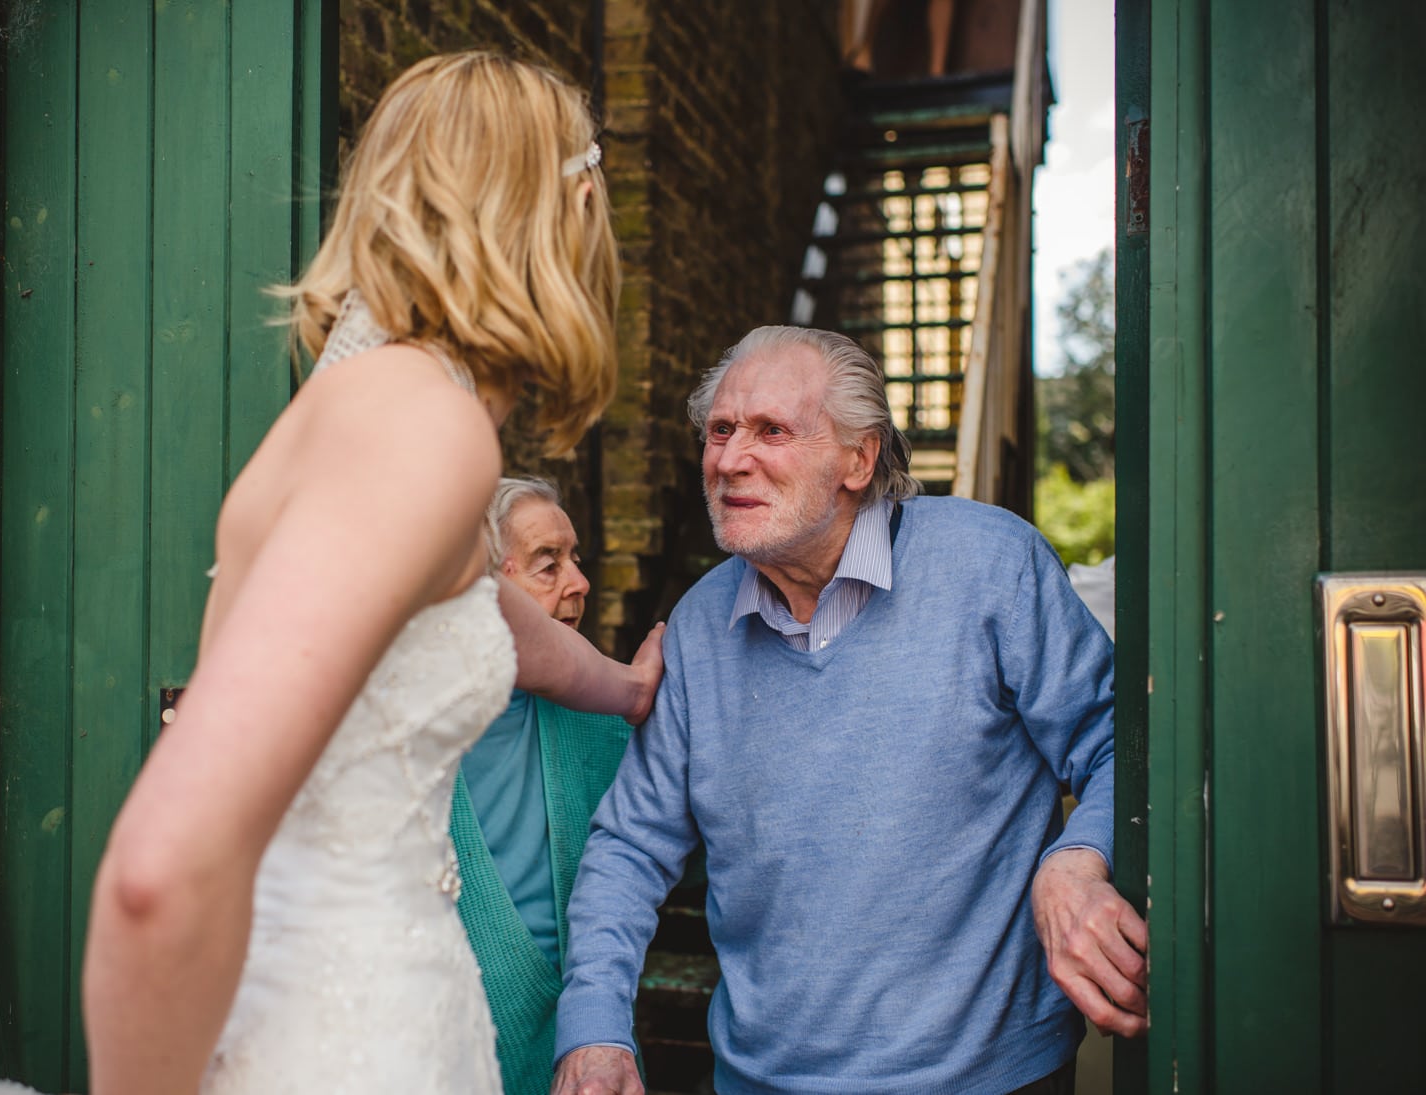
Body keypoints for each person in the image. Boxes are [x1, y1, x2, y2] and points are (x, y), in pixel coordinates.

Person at [70, 51, 662, 1095]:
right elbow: (155, 877)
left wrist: (615, 686)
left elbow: (461, 611)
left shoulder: (373, 404)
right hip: (346, 1046)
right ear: (566, 210)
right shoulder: (421, 432)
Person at [551, 326, 1146, 1095]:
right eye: (721, 430)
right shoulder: (697, 627)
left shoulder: (992, 565)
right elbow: (631, 846)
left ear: (858, 459)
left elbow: (1118, 740)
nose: (729, 459)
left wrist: (1078, 858)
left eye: (771, 431)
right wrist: (596, 1026)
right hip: (765, 1080)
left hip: (990, 1077)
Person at [451, 477, 637, 1095]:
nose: (579, 583)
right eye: (547, 563)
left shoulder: (602, 720)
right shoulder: (410, 726)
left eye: (575, 558)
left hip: (574, 1055)